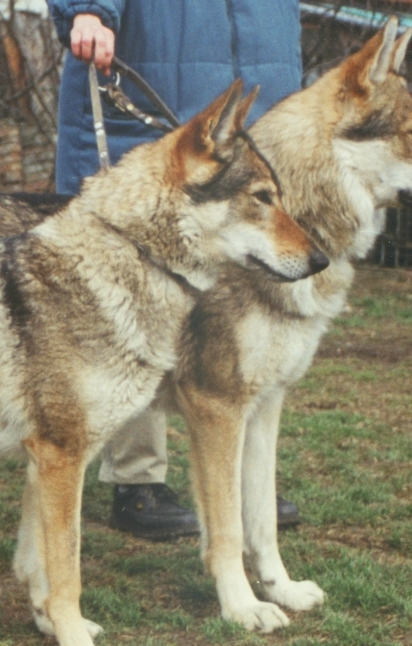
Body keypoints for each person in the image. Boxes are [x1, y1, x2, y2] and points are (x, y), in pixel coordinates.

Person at [49, 0, 303, 539]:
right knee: (132, 302)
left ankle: (245, 482)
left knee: (242, 311)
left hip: (250, 128)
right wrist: (88, 10)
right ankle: (137, 479)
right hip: (149, 114)